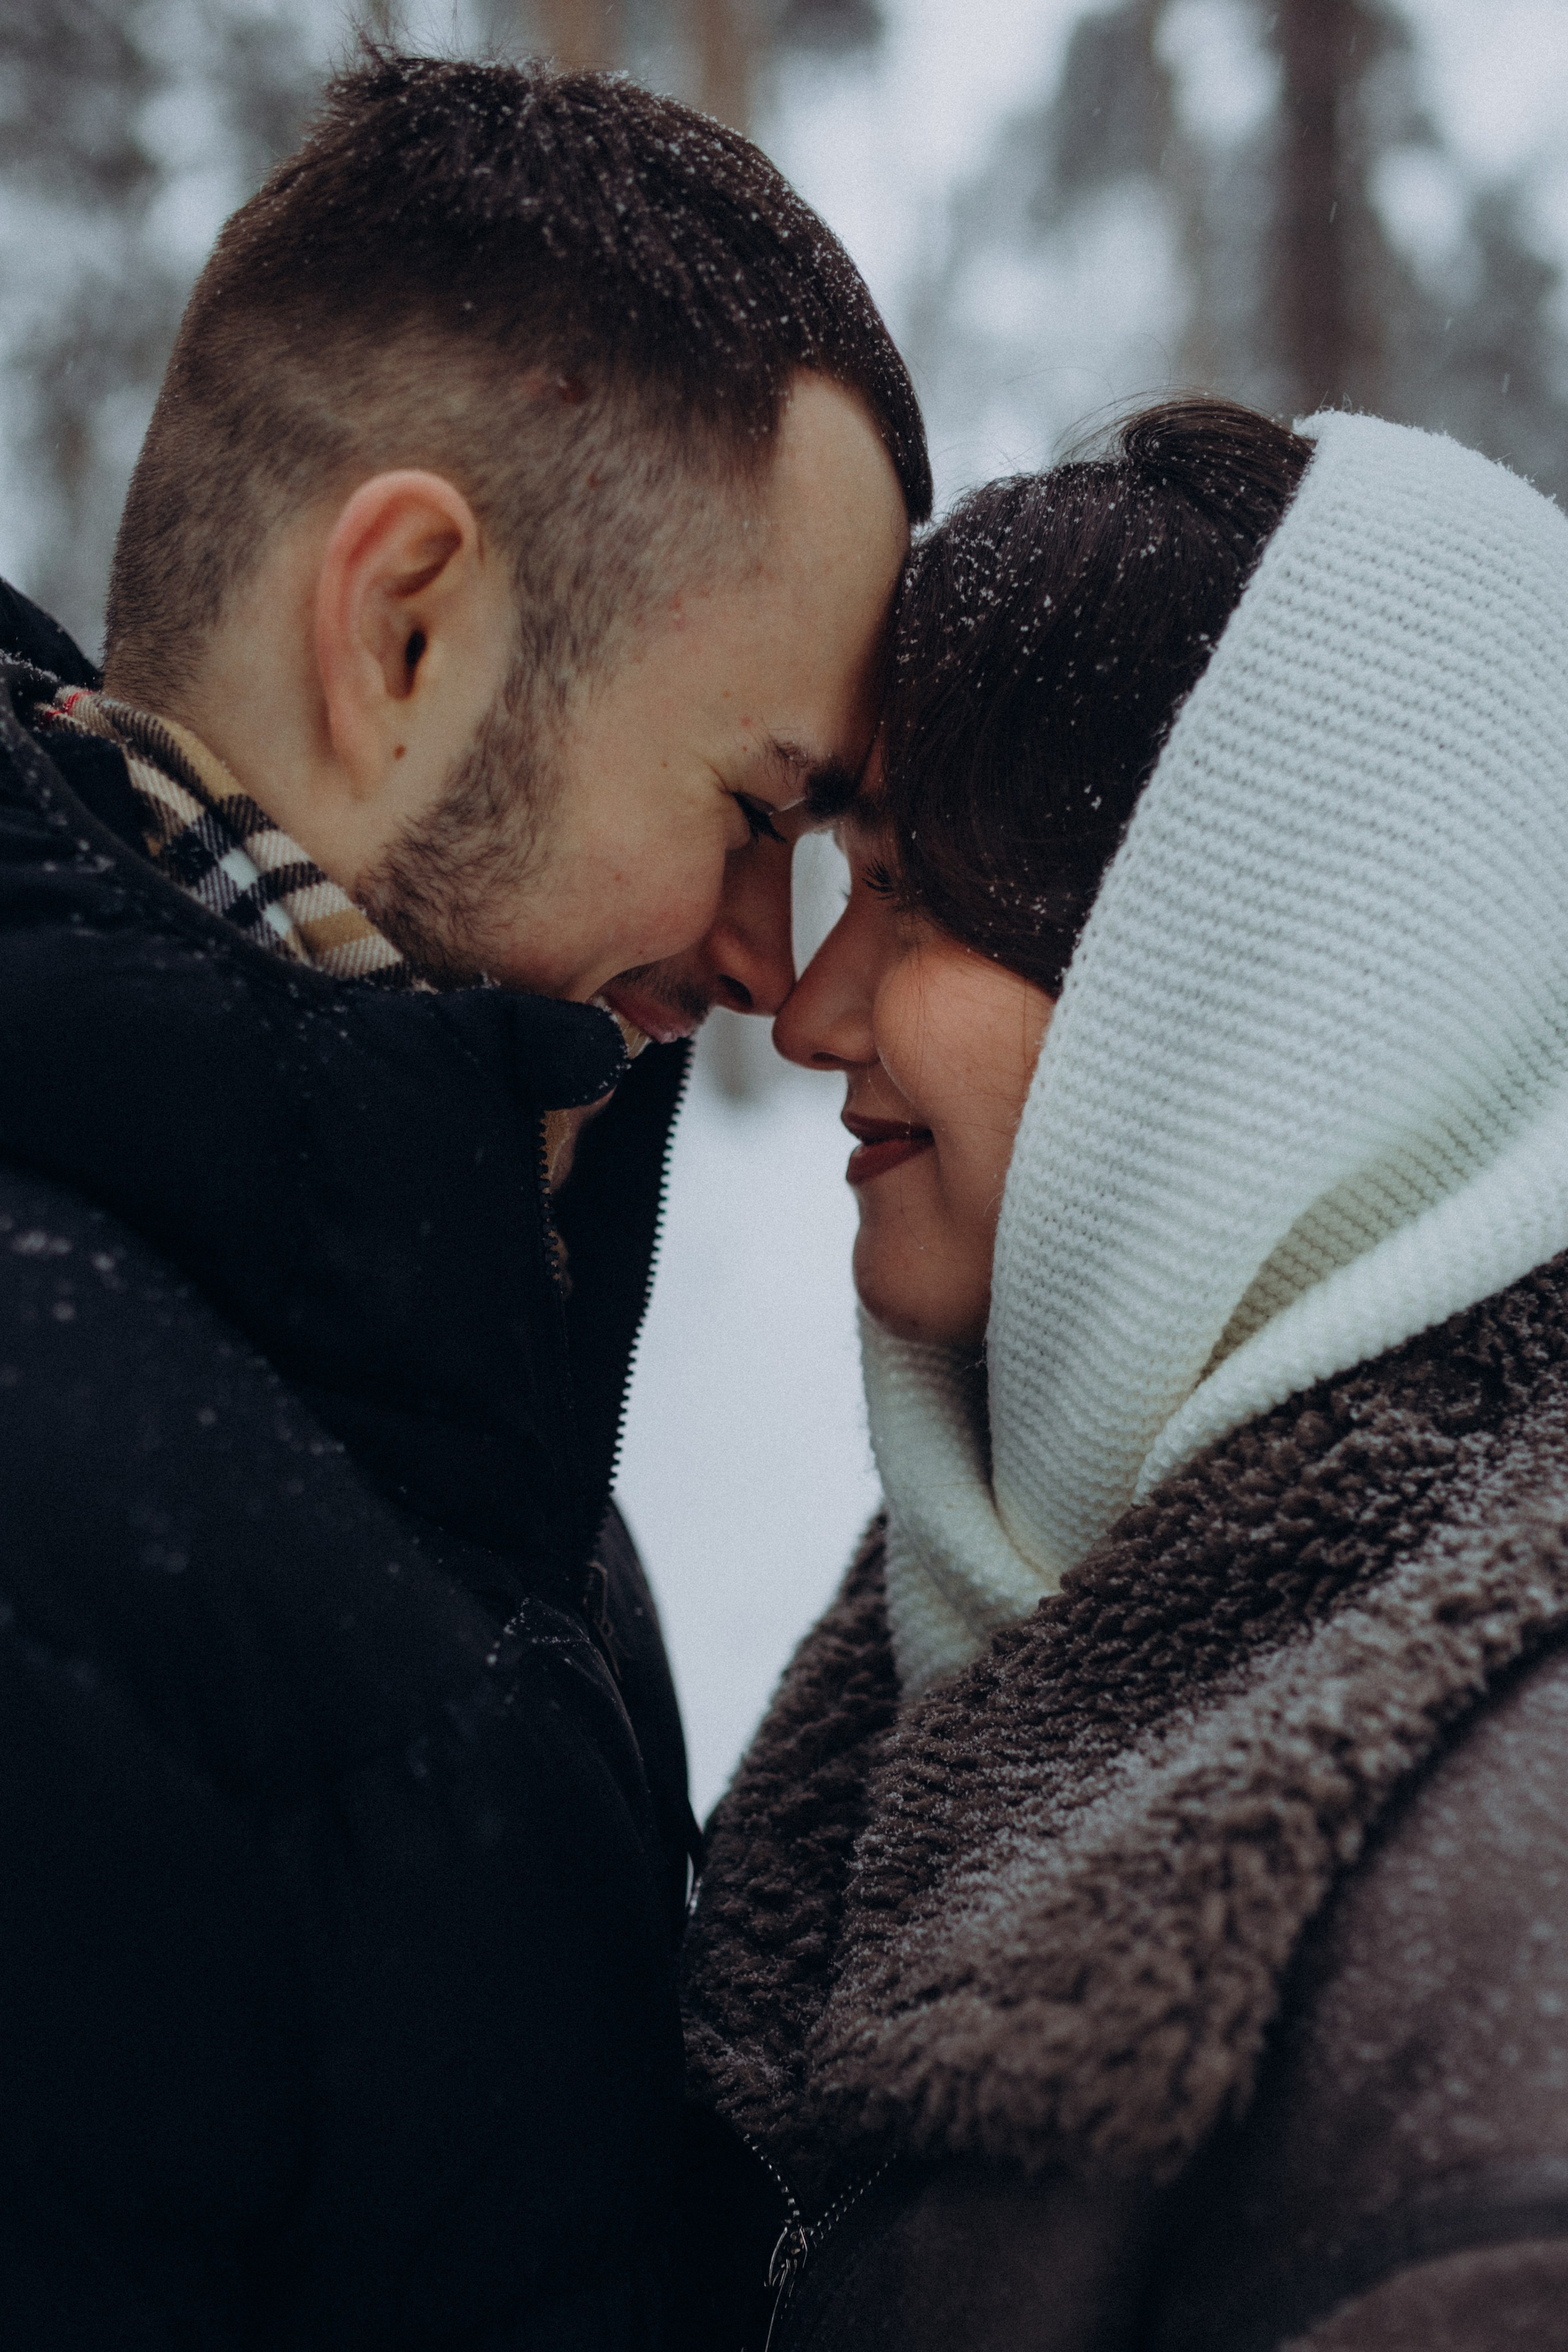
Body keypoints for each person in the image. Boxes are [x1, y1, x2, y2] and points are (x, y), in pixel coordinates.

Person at [0, 47, 928, 2350]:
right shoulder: (62, 1526)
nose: (767, 966)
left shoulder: (419, 1327)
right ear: (407, 624)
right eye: (751, 808)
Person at [682, 398, 1568, 2350]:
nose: (812, 1009)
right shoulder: (1004, 1625)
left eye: (909, 892)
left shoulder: (1509, 1969)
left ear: (1237, 997)